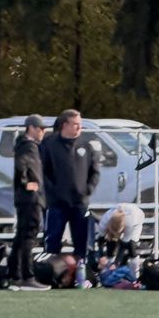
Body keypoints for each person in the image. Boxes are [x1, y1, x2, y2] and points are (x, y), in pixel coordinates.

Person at [39, 110, 99, 285]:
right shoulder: (49, 144)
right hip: (57, 204)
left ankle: (80, 276)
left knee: (82, 242)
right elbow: (43, 172)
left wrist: (87, 191)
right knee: (53, 240)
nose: (79, 127)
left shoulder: (86, 146)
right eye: (75, 124)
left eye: (80, 124)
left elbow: (94, 173)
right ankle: (50, 273)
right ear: (65, 125)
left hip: (80, 204)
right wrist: (54, 193)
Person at [9, 116, 48, 290]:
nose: (43, 132)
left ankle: (15, 274)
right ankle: (27, 276)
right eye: (40, 128)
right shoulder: (28, 146)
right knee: (28, 235)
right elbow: (21, 166)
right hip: (30, 199)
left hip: (24, 198)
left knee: (21, 235)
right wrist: (29, 185)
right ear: (31, 128)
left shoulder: (24, 145)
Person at [97, 201, 144, 269]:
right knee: (111, 241)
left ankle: (135, 270)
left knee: (131, 245)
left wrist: (116, 263)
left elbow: (123, 245)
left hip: (137, 218)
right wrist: (102, 256)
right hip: (123, 212)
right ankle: (109, 267)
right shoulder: (105, 220)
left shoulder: (129, 224)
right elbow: (100, 239)